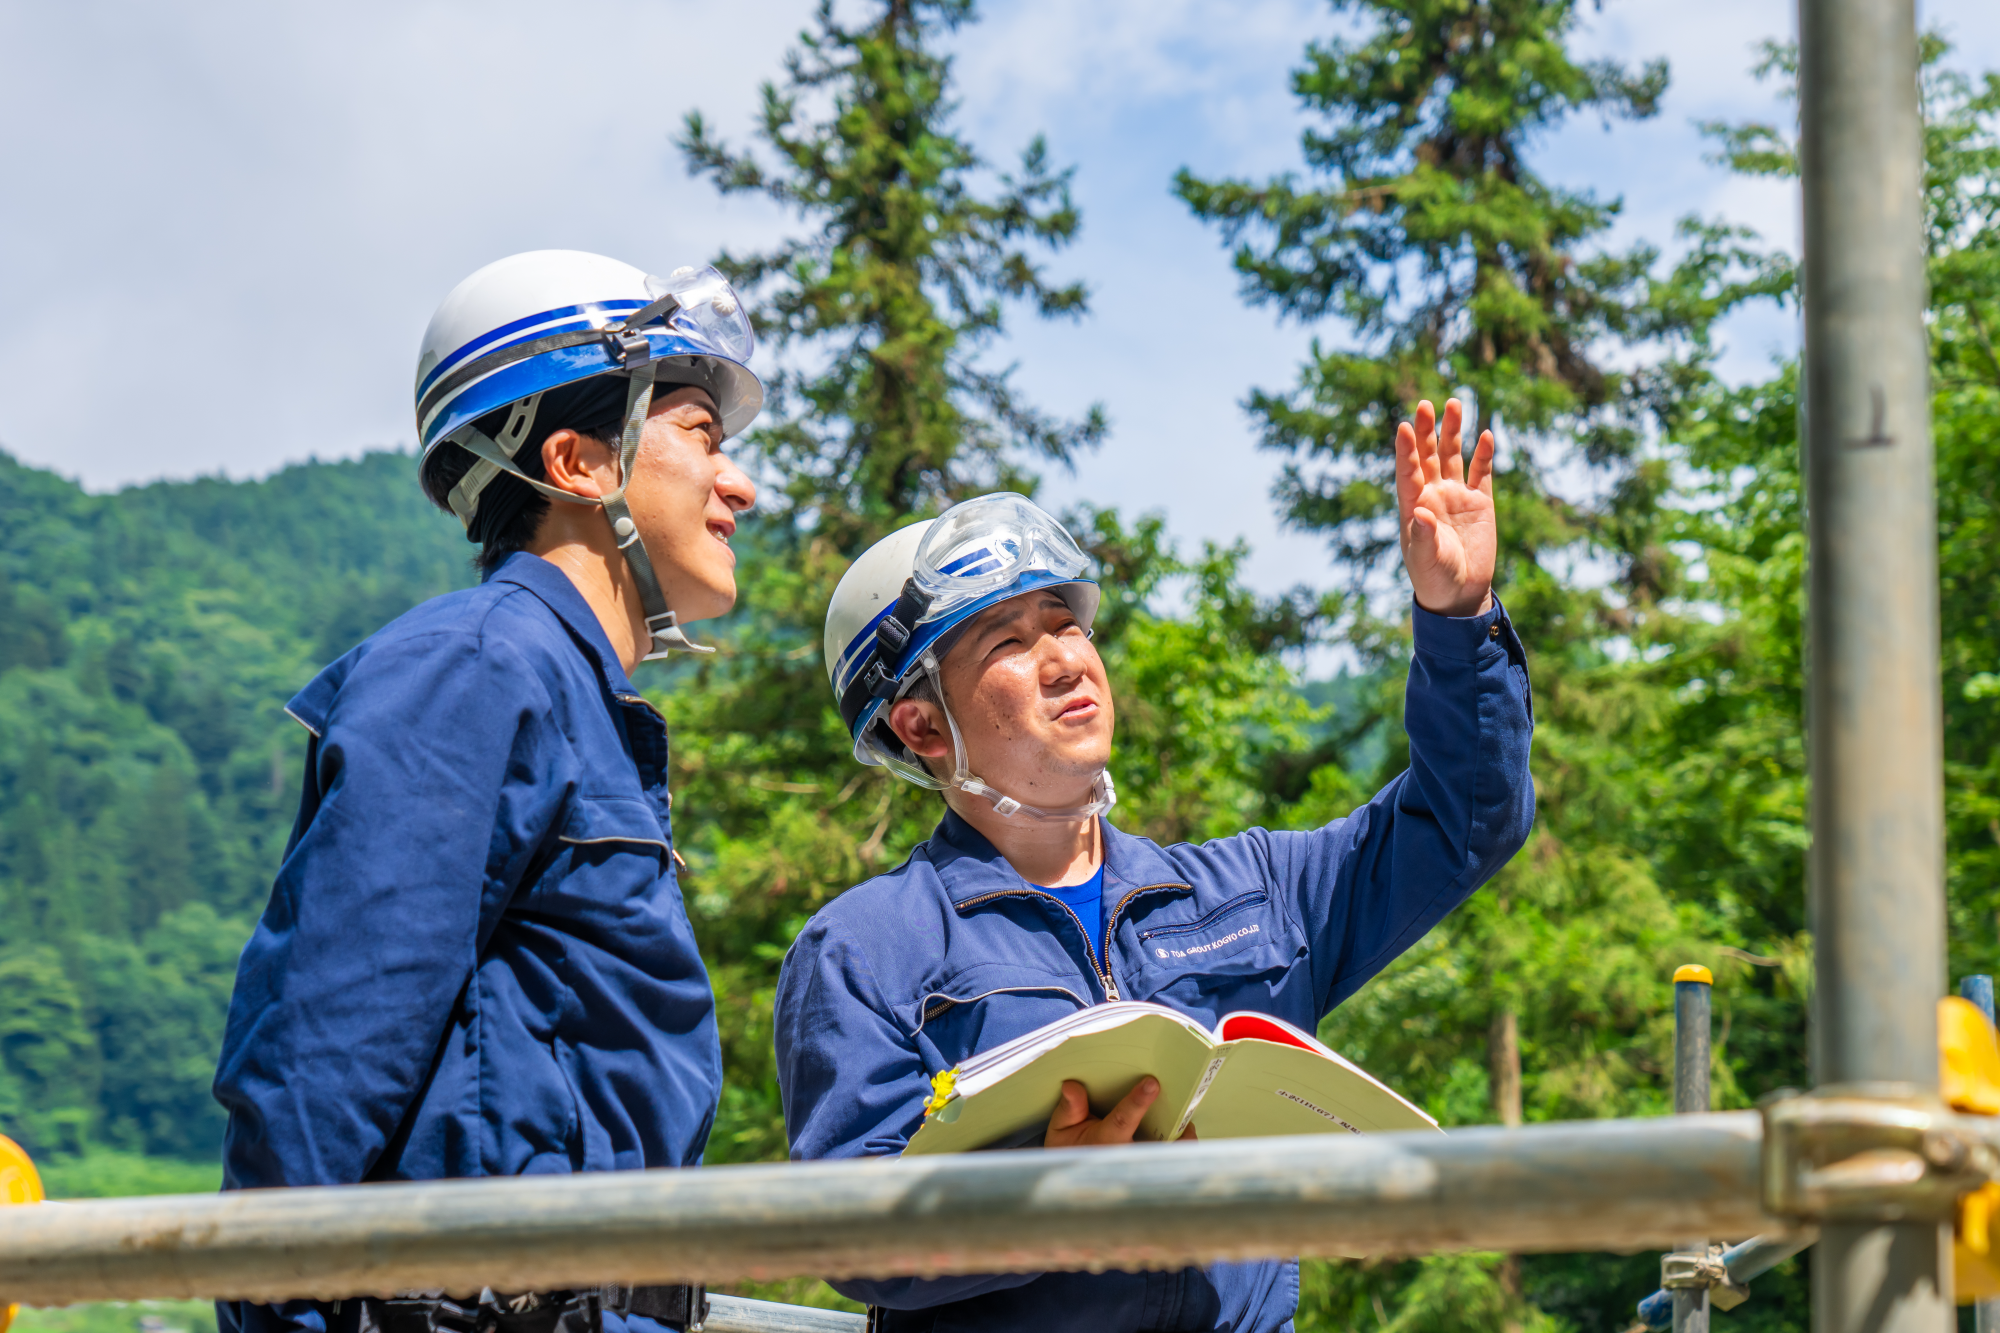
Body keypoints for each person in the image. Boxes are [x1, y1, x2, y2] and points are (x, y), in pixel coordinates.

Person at [778, 399, 1534, 1332]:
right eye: (1009, 642)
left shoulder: (1254, 893)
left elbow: (1465, 819)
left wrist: (1457, 617)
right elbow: (843, 1235)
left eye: (1068, 625)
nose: (1065, 660)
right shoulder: (865, 949)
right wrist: (1048, 1202)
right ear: (922, 725)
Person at [212, 251, 762, 1333]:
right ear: (576, 461)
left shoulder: (574, 701)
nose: (738, 484)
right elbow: (328, 1044)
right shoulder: (476, 667)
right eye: (699, 433)